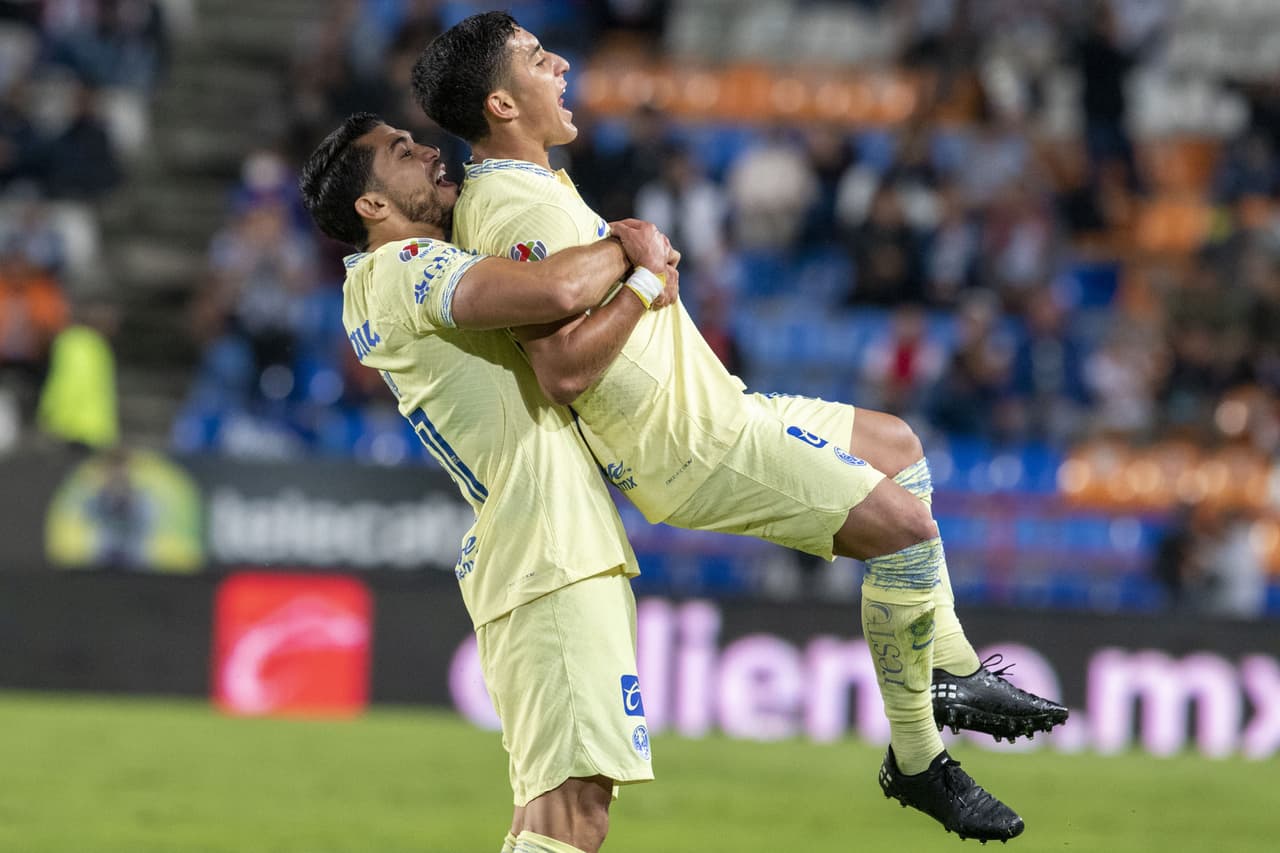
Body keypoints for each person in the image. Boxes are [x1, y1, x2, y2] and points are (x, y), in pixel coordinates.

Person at [414, 12, 1068, 843]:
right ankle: (922, 746)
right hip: (692, 441)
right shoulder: (511, 208)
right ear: (503, 103)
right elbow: (564, 368)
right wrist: (647, 282)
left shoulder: (529, 185)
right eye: (542, 60)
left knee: (899, 449)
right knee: (906, 532)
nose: (564, 64)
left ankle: (942, 700)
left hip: (721, 405)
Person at [299, 112, 679, 853]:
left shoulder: (370, 288)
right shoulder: (406, 266)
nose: (430, 151)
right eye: (403, 154)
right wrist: (630, 253)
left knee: (554, 812)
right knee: (571, 814)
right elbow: (554, 289)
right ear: (371, 208)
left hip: (534, 545)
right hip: (547, 546)